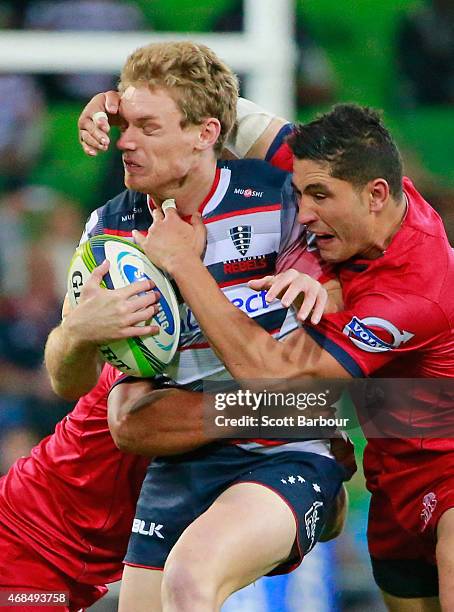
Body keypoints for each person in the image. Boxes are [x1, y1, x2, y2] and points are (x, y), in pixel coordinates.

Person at [0, 42, 351, 611]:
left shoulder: (283, 202)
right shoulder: (111, 230)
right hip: (43, 535)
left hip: (243, 468)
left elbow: (358, 184)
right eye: (125, 124)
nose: (123, 142)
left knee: (190, 584)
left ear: (206, 132)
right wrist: (80, 331)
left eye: (146, 127)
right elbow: (118, 417)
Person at [134, 102, 454, 612]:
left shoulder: (411, 296)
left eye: (318, 197)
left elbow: (269, 377)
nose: (303, 212)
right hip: (394, 482)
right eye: (301, 193)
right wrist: (120, 102)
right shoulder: (357, 182)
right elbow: (220, 108)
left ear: (375, 196)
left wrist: (183, 265)